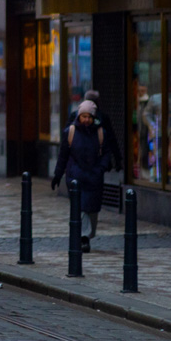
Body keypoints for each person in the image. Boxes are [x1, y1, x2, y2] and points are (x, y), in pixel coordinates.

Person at [52, 99, 109, 252]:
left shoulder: (100, 132)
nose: (86, 120)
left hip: (94, 177)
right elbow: (63, 155)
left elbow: (106, 154)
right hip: (76, 177)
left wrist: (101, 168)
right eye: (83, 116)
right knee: (82, 207)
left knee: (92, 209)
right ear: (78, 116)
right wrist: (58, 175)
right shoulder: (70, 132)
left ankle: (87, 235)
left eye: (89, 117)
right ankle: (83, 237)